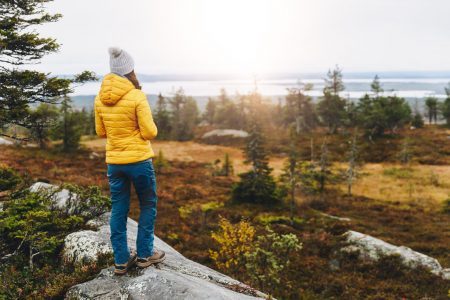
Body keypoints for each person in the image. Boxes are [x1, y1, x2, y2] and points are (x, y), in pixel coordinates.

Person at [94, 47, 165, 275]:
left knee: (118, 209)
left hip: (115, 163)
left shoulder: (99, 98)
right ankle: (145, 255)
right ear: (130, 70)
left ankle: (121, 260)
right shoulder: (136, 95)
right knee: (148, 203)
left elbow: (100, 131)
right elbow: (150, 132)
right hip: (139, 161)